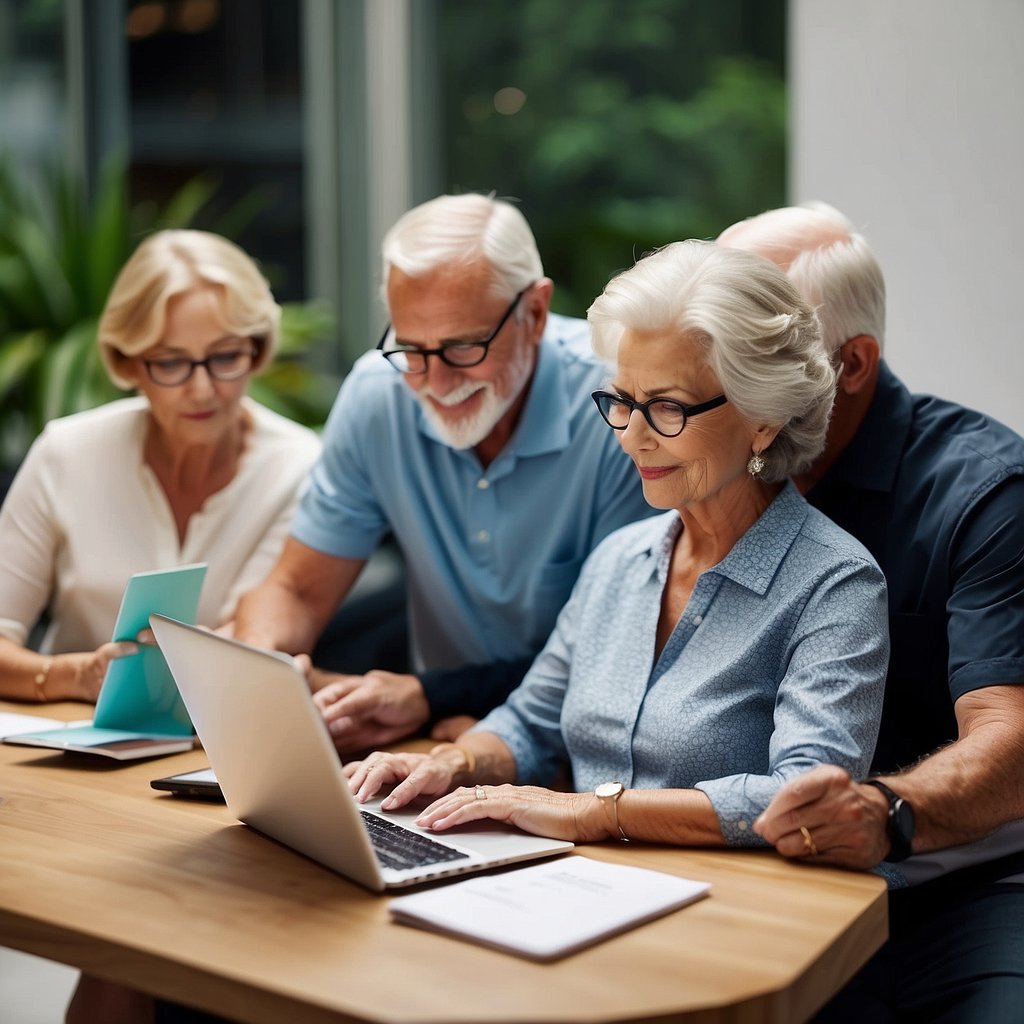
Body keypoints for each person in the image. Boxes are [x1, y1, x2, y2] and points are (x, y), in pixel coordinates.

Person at [343, 239, 889, 853]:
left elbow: (805, 800)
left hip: (735, 910)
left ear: (763, 416)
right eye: (623, 402)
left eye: (666, 408)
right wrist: (454, 765)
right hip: (583, 886)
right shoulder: (621, 559)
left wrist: (595, 812)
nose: (631, 438)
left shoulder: (835, 583)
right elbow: (529, 722)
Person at [719, 203, 1024, 1021]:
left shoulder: (986, 492)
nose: (721, 380)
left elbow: (1013, 735)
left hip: (963, 885)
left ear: (851, 364)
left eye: (758, 353)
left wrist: (886, 814)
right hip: (759, 870)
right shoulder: (708, 449)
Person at [232, 193, 654, 752]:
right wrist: (266, 666)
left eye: (462, 347)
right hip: (432, 740)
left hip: (588, 755)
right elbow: (297, 590)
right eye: (411, 348)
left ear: (534, 312)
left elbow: (620, 649)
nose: (435, 381)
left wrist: (435, 695)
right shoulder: (378, 394)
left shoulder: (621, 405)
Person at [0, 229, 320, 702]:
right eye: (171, 363)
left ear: (258, 350)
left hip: (215, 746)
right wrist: (75, 676)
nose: (203, 389)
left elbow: (263, 642)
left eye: (226, 356)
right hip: (65, 737)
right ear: (128, 363)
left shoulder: (302, 467)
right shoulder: (66, 453)